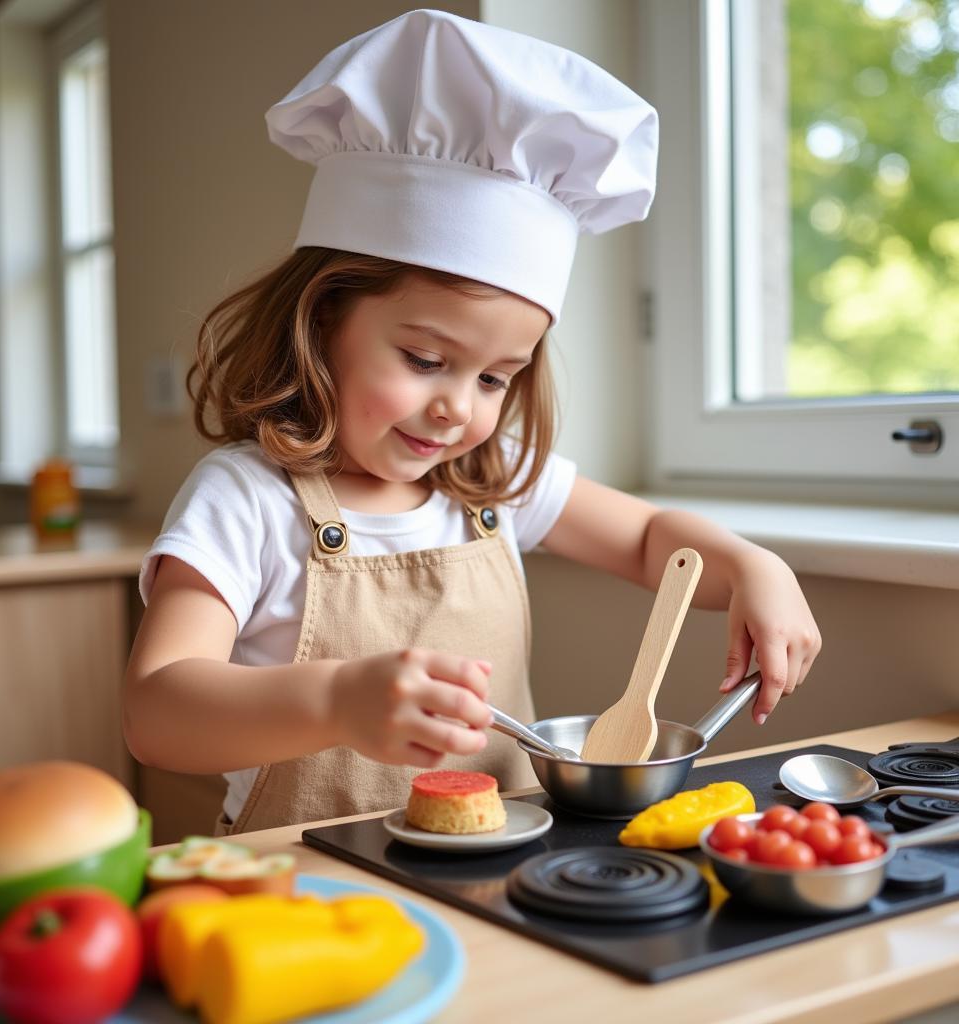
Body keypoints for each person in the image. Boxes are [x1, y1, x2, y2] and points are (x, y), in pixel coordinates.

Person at [123, 9, 821, 834]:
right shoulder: (245, 497)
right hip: (311, 886)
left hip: (497, 876)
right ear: (320, 323)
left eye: (496, 377)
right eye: (424, 360)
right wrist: (336, 699)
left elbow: (650, 544)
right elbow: (158, 711)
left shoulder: (490, 480)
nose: (460, 406)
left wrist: (748, 566)